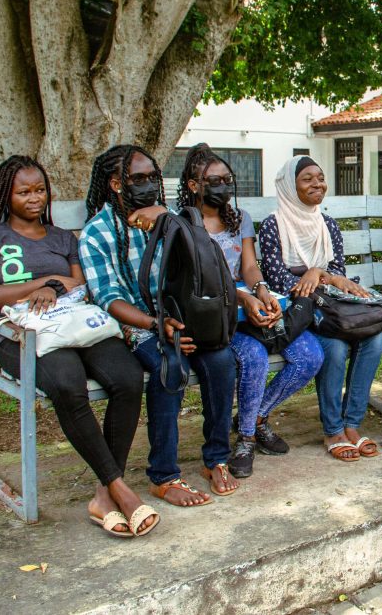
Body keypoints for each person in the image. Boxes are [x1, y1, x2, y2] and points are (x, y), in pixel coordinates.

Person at [0, 156, 157, 538]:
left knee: (127, 376)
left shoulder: (61, 238)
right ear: (8, 194)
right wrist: (44, 283)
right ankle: (118, 487)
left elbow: (78, 284)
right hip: (20, 334)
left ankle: (104, 494)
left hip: (75, 324)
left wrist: (54, 284)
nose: (34, 198)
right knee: (68, 384)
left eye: (40, 190)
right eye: (24, 192)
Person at [79, 145, 240, 507]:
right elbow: (110, 299)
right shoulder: (97, 233)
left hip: (182, 317)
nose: (150, 185)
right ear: (117, 184)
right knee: (172, 369)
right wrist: (157, 325)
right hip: (136, 327)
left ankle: (216, 458)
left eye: (154, 177)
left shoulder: (169, 220)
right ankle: (163, 476)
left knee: (221, 362)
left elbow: (203, 264)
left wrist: (168, 219)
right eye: (139, 179)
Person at [177, 144, 323, 477]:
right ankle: (245, 439)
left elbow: (249, 266)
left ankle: (256, 416)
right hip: (215, 319)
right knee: (254, 357)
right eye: (213, 180)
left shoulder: (238, 218)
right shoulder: (184, 225)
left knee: (310, 355)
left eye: (227, 180)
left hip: (249, 310)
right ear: (193, 185)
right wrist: (244, 299)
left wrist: (260, 292)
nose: (223, 187)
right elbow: (196, 284)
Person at [258, 155, 382, 462]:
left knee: (374, 338)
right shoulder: (273, 226)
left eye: (321, 177)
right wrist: (318, 276)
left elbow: (337, 270)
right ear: (290, 186)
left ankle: (352, 424)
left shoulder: (327, 224)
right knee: (335, 348)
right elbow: (278, 278)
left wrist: (319, 274)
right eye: (307, 179)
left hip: (328, 305)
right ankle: (332, 429)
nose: (318, 184)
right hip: (297, 311)